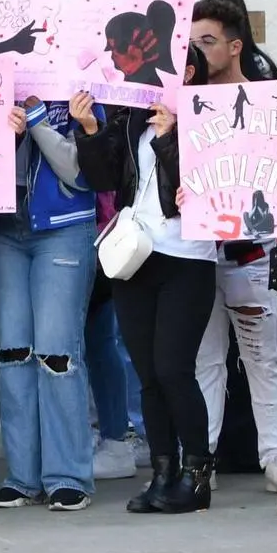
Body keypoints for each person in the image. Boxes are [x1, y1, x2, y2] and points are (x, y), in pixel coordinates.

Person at [75, 78, 219, 513]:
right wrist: (89, 130)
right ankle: (163, 472)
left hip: (188, 256)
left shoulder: (208, 114)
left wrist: (171, 136)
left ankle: (197, 477)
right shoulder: (131, 112)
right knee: (148, 373)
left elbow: (214, 182)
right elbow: (103, 177)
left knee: (174, 368)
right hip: (134, 254)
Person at [187, 0, 277, 497]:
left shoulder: (266, 102)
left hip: (251, 248)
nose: (196, 52)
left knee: (262, 356)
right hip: (192, 252)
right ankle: (202, 459)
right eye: (190, 43)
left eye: (207, 42)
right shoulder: (179, 101)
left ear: (235, 47)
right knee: (204, 360)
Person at [0, 79, 102, 511]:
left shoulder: (80, 86)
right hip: (5, 227)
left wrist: (35, 118)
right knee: (13, 351)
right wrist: (4, 134)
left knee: (57, 353)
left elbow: (81, 171)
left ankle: (68, 475)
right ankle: (23, 476)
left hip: (64, 226)